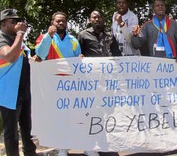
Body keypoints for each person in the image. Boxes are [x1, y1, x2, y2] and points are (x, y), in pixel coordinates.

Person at [34, 12, 95, 156]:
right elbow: (40, 55)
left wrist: (80, 59)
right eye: (58, 21)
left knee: (77, 116)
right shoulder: (44, 38)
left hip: (71, 85)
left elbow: (77, 63)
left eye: (63, 21)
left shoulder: (73, 40)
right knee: (60, 118)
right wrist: (48, 36)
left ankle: (86, 146)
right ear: (52, 22)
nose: (61, 23)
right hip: (53, 85)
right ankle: (63, 147)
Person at [0, 9, 39, 156]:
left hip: (22, 90)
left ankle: (30, 152)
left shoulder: (15, 39)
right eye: (14, 22)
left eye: (19, 21)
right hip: (8, 93)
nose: (18, 24)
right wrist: (20, 34)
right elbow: (10, 57)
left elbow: (21, 57)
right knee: (11, 132)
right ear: (4, 24)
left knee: (26, 127)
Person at [78, 10, 119, 156]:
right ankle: (91, 146)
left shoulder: (110, 35)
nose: (97, 19)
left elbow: (117, 56)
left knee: (109, 113)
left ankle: (108, 146)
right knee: (93, 114)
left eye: (100, 17)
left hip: (108, 82)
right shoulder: (83, 35)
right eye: (94, 17)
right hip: (91, 83)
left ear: (103, 19)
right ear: (90, 19)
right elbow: (78, 56)